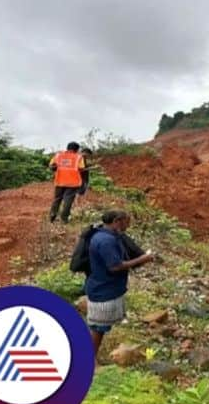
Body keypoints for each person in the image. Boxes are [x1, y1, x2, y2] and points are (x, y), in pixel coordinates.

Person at [86, 210, 155, 355]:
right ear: (117, 221)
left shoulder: (105, 235)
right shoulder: (106, 241)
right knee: (98, 328)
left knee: (99, 327)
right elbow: (115, 266)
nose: (128, 225)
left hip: (104, 286)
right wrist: (143, 259)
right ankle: (89, 358)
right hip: (103, 289)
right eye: (126, 222)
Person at [48, 142, 85, 223]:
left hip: (60, 181)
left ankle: (52, 216)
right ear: (76, 149)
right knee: (68, 200)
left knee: (57, 199)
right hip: (73, 183)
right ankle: (64, 219)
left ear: (67, 148)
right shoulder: (78, 157)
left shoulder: (58, 155)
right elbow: (81, 168)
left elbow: (51, 166)